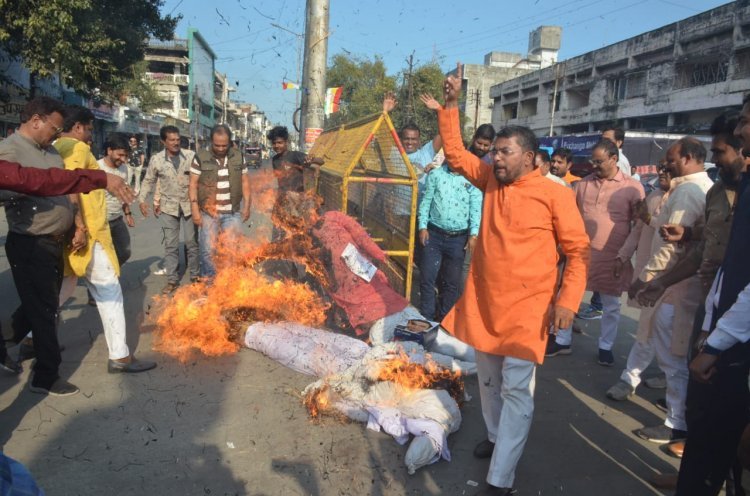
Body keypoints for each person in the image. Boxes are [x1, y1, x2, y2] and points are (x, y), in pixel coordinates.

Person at [438, 65, 589, 496]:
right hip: (485, 303)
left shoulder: (555, 193)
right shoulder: (488, 180)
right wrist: (451, 106)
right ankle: (494, 435)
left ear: (529, 157)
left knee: (517, 389)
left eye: (504, 152)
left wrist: (568, 302)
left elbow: (578, 253)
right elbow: (454, 154)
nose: (495, 158)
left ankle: (501, 480)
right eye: (495, 152)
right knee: (487, 381)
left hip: (529, 309)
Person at [607, 138, 713, 444]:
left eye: (671, 159)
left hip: (673, 290)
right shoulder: (690, 190)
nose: (665, 164)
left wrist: (647, 280)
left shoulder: (689, 191)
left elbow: (671, 246)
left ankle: (675, 423)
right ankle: (675, 413)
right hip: (675, 286)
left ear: (689, 158)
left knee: (672, 359)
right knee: (662, 348)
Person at [673, 94, 750, 496]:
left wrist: (717, 341)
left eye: (745, 123)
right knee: (704, 418)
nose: (741, 130)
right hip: (719, 317)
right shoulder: (724, 191)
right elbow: (722, 259)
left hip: (738, 336)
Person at [49, 106, 156, 374]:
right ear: (77, 127)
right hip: (88, 232)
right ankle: (120, 357)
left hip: (75, 229)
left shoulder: (54, 148)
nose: (89, 136)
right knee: (109, 289)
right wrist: (80, 225)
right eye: (87, 129)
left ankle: (30, 339)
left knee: (65, 287)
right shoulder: (76, 149)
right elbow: (71, 186)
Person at [0, 97, 78, 395]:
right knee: (45, 310)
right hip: (30, 244)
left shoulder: (51, 151)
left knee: (38, 305)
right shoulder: (10, 151)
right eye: (55, 128)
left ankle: (3, 342)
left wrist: (76, 224)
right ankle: (46, 375)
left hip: (55, 242)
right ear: (36, 120)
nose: (57, 135)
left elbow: (65, 188)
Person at [546, 140, 644, 365]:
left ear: (613, 159)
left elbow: (639, 225)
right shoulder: (583, 185)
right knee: (568, 297)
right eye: (593, 161)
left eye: (599, 161)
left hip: (614, 256)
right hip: (581, 254)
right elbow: (570, 218)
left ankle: (605, 346)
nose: (594, 165)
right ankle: (562, 340)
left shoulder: (632, 187)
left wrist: (625, 255)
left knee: (610, 305)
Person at [417, 159, 482, 321]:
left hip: (458, 240)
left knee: (451, 283)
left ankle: (445, 321)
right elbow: (426, 201)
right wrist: (422, 227)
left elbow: (475, 208)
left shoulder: (472, 179)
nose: (455, 162)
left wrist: (473, 235)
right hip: (433, 235)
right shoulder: (436, 175)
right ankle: (427, 319)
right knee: (427, 278)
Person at [139, 125, 199, 294]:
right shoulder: (157, 160)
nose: (176, 143)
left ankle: (195, 276)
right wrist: (142, 200)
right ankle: (172, 280)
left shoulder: (190, 156)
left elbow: (200, 179)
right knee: (170, 245)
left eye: (178, 140)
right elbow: (149, 180)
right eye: (172, 140)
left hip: (189, 206)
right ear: (163, 142)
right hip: (168, 208)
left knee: (192, 243)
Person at [189, 124, 251, 278]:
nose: (221, 148)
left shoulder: (238, 156)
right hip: (208, 213)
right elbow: (192, 184)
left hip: (232, 213)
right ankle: (209, 283)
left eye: (225, 145)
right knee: (207, 250)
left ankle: (226, 283)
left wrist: (247, 206)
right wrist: (195, 211)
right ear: (211, 141)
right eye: (217, 145)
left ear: (229, 142)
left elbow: (245, 182)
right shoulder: (200, 157)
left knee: (231, 250)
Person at [98, 134, 133, 266]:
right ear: (109, 151)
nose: (123, 159)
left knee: (125, 252)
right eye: (120, 155)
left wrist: (128, 213)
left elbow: (123, 192)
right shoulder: (96, 167)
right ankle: (103, 281)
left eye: (125, 156)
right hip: (101, 222)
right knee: (102, 257)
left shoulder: (124, 169)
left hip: (117, 219)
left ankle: (110, 274)